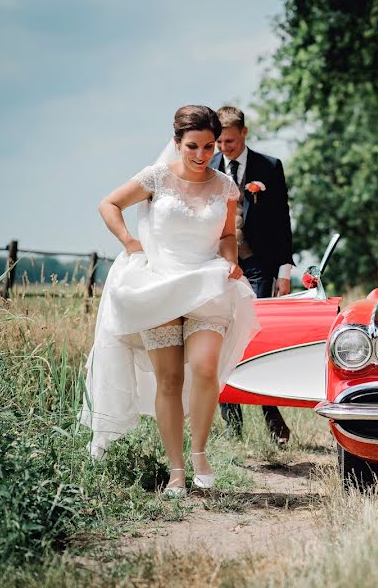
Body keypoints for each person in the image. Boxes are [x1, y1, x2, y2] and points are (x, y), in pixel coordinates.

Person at [80, 105, 260, 497]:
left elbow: (228, 235)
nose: (201, 155)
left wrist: (230, 260)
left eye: (209, 146)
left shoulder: (225, 187)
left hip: (206, 286)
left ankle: (199, 453)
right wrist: (130, 242)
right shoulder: (156, 177)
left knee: (206, 368)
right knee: (170, 380)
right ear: (176, 143)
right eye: (192, 146)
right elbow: (108, 204)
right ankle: (175, 470)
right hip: (158, 287)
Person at [209, 106, 294, 445]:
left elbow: (282, 221)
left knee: (256, 339)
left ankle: (272, 415)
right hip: (219, 267)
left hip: (259, 264)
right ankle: (233, 426)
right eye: (218, 142)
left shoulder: (269, 168)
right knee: (221, 339)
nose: (222, 148)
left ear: (244, 133)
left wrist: (285, 269)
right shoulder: (209, 167)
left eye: (228, 141)